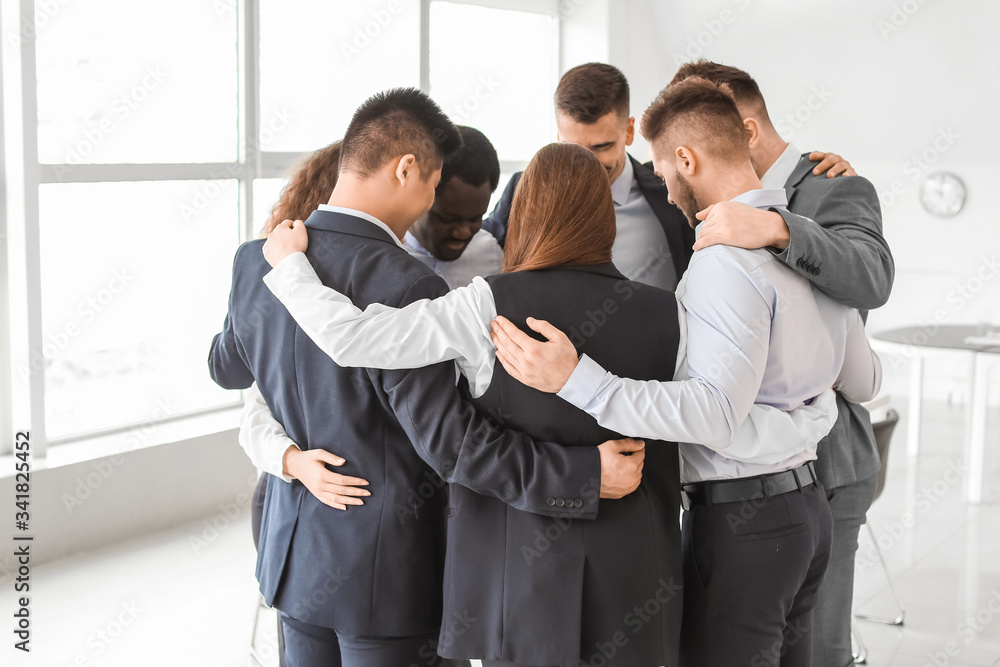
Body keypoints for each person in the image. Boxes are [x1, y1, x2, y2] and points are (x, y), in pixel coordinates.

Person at [207, 88, 644, 667]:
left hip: (292, 557)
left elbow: (233, 370)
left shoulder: (253, 259)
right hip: (386, 577)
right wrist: (585, 474)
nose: (433, 201)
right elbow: (450, 443)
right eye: (435, 184)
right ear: (406, 168)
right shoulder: (408, 286)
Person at [488, 78, 883, 666]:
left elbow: (714, 414)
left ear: (686, 159)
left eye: (663, 169)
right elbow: (865, 381)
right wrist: (800, 420)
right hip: (808, 514)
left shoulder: (723, 263)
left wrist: (576, 381)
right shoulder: (808, 242)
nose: (667, 190)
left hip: (742, 524)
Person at [668, 60, 894, 667]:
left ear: (741, 127)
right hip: (725, 477)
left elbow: (871, 278)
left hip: (826, 467)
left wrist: (775, 227)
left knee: (819, 652)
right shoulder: (688, 187)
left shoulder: (834, 188)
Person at [482, 62, 853, 292]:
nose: (585, 165)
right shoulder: (525, 189)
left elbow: (738, 180)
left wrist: (810, 172)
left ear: (628, 133)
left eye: (601, 147)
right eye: (571, 147)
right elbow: (479, 251)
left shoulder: (674, 190)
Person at [404, 125, 504, 289]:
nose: (463, 232)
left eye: (475, 219)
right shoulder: (379, 255)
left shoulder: (491, 255)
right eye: (448, 219)